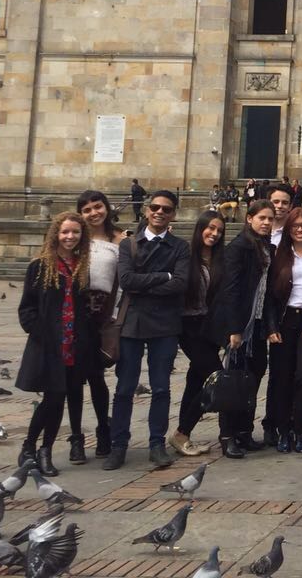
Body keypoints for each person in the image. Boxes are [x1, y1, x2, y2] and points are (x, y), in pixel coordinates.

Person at [107, 190, 190, 470]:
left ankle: (156, 444)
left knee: (161, 387)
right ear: (146, 210)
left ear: (173, 215)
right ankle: (118, 444)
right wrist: (162, 277)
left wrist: (149, 284)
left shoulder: (180, 247)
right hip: (132, 322)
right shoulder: (129, 244)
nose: (160, 212)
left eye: (166, 209)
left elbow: (180, 283)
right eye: (155, 207)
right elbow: (127, 280)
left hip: (165, 324)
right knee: (124, 387)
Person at [16, 213, 97, 476]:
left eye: (75, 232)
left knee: (58, 398)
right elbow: (27, 309)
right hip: (49, 346)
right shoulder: (40, 266)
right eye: (65, 232)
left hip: (74, 346)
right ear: (55, 235)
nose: (70, 237)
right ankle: (37, 448)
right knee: (53, 399)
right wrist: (42, 333)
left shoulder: (80, 265)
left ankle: (37, 448)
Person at [206, 199, 274, 459]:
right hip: (239, 326)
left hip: (256, 324)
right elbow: (230, 291)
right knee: (232, 381)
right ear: (249, 219)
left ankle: (245, 432)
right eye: (262, 218)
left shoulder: (266, 246)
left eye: (270, 219)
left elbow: (266, 292)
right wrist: (234, 330)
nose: (266, 222)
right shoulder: (239, 247)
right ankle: (227, 436)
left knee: (253, 376)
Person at [264, 207, 302, 453]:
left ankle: (298, 430)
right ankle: (283, 430)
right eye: (295, 226)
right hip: (283, 321)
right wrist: (270, 326)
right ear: (289, 229)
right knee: (281, 377)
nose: (300, 230)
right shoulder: (279, 255)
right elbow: (269, 296)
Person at [169, 211, 226, 459]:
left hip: (211, 326)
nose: (214, 234)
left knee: (195, 380)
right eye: (210, 228)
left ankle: (184, 437)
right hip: (189, 326)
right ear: (200, 228)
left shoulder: (219, 259)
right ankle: (182, 432)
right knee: (217, 379)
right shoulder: (185, 256)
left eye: (219, 230)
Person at [76, 189, 124, 462]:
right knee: (72, 380)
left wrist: (116, 315)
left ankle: (104, 429)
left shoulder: (120, 239)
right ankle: (76, 437)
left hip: (105, 313)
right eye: (87, 209)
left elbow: (123, 281)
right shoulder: (75, 238)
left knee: (97, 377)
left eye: (98, 206)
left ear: (106, 207)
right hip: (77, 314)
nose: (94, 213)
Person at [267, 183, 293, 250]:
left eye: (285, 203)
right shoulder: (257, 231)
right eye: (276, 202)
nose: (280, 206)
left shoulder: (296, 233)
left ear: (290, 207)